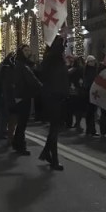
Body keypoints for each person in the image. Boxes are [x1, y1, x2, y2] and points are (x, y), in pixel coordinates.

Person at [38, 37, 69, 170]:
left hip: (54, 96)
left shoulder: (51, 59)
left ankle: (46, 153)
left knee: (54, 129)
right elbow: (57, 79)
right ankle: (53, 159)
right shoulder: (54, 60)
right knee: (54, 129)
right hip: (54, 96)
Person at [10, 43, 41, 156]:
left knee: (22, 122)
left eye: (28, 50)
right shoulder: (21, 65)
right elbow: (31, 80)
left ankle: (17, 143)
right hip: (23, 96)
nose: (28, 52)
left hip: (23, 95)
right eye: (26, 50)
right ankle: (20, 145)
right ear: (21, 52)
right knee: (22, 122)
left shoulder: (24, 64)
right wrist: (41, 87)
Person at [83, 56, 99, 136]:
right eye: (91, 61)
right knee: (90, 112)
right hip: (89, 93)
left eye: (94, 61)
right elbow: (87, 82)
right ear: (88, 62)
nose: (93, 63)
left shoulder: (94, 70)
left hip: (93, 93)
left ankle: (92, 129)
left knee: (92, 112)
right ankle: (89, 129)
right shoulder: (87, 71)